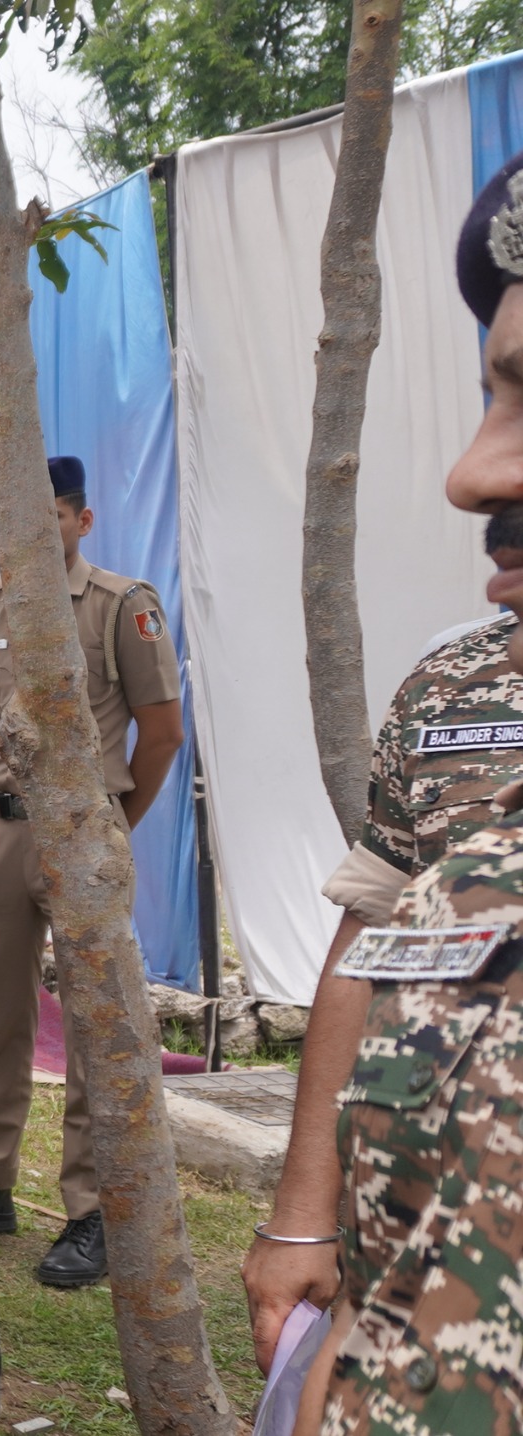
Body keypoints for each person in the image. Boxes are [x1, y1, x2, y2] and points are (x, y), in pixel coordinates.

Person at [291, 150, 523, 1433]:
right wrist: (313, 1232)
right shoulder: (448, 683)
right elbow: (371, 933)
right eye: (496, 393)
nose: (473, 474)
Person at [0, 454, 183, 1287]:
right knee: (0, 1015)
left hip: (85, 831)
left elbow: (162, 731)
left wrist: (110, 823)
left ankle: (91, 1207)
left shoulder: (124, 605)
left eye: (50, 515)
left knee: (93, 1023)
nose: (32, 530)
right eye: (18, 516)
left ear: (80, 520)